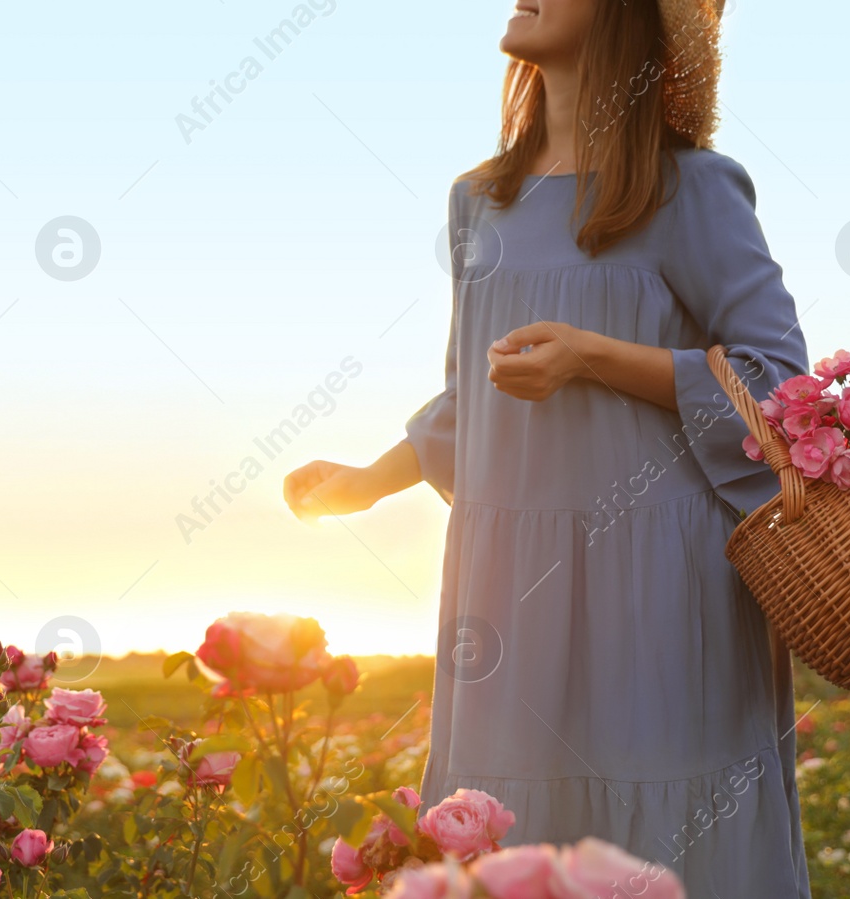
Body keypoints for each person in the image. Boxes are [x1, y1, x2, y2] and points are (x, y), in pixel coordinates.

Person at [282, 0, 812, 892]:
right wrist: (370, 480)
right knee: (508, 832)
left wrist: (597, 356)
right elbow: (471, 393)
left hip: (662, 588)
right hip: (507, 596)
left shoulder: (696, 188)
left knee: (669, 837)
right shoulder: (477, 201)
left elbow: (775, 385)